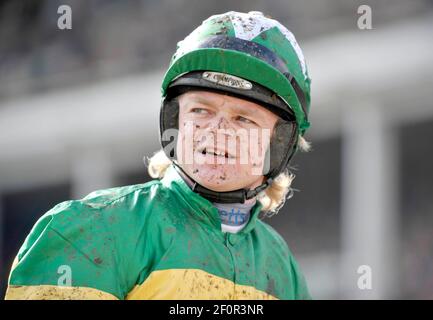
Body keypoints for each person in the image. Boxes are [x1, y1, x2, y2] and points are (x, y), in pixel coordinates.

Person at [5, 11, 313, 300]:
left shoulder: (282, 268)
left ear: (279, 144)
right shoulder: (88, 231)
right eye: (200, 110)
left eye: (243, 119)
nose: (217, 131)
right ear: (174, 121)